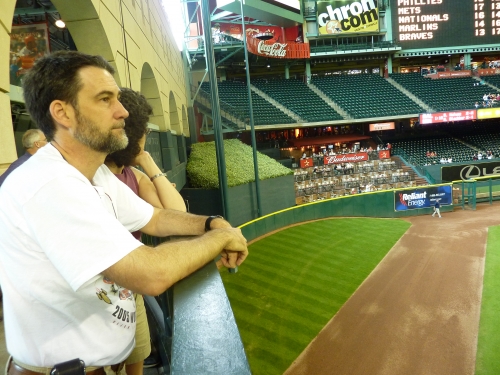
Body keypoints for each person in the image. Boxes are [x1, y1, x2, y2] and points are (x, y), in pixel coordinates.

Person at [0, 51, 248, 370]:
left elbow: (155, 217)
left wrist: (210, 223)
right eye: (105, 99)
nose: (122, 112)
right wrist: (220, 238)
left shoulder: (95, 171)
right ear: (62, 112)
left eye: (117, 98)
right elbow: (151, 274)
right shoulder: (47, 184)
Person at [104, 88, 186, 374]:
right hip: (101, 289)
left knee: (135, 358)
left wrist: (148, 163)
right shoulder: (95, 175)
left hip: (130, 289)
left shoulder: (133, 174)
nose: (146, 137)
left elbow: (177, 212)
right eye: (145, 132)